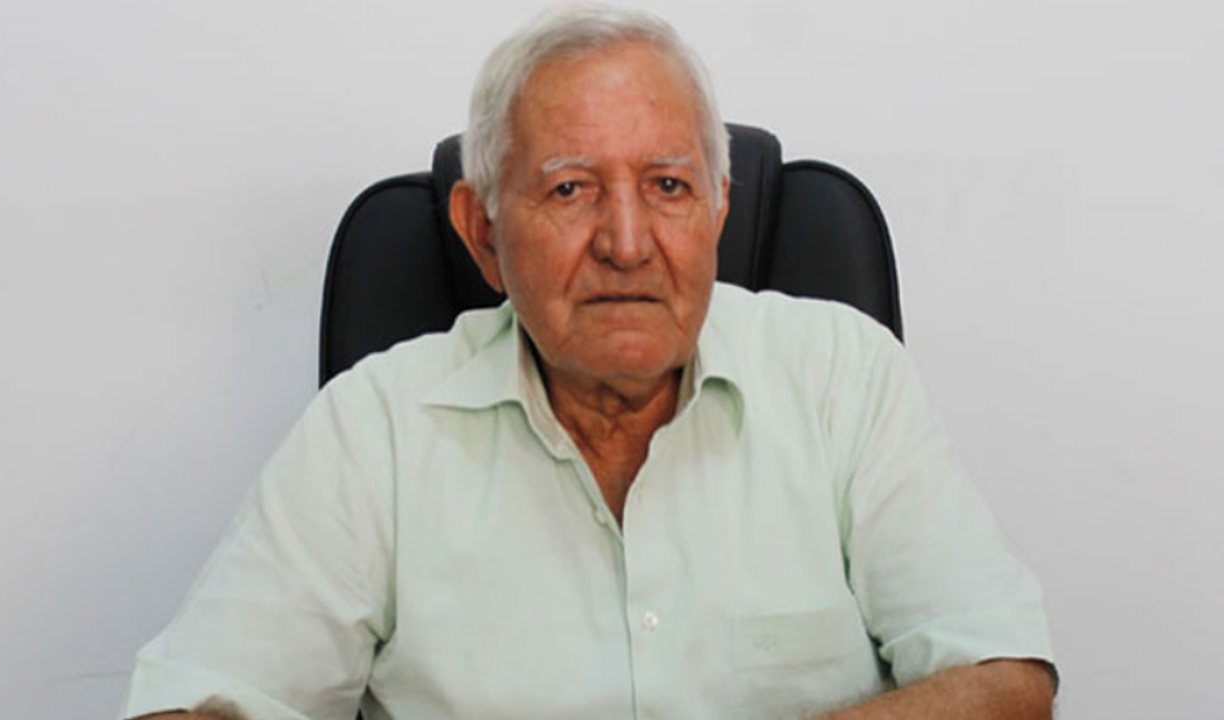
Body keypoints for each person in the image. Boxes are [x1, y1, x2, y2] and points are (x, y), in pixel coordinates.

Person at [122, 5, 1056, 720]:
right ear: (483, 233)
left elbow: (1005, 681)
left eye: (668, 186)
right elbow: (195, 702)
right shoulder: (376, 428)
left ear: (719, 212)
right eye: (570, 189)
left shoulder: (843, 377)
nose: (626, 242)